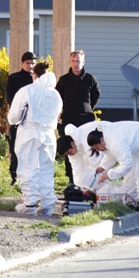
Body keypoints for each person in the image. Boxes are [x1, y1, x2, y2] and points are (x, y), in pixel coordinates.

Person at [7, 61, 62, 216]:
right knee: (46, 169)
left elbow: (13, 117)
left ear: (35, 76)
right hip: (49, 134)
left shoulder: (28, 90)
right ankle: (48, 204)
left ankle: (30, 203)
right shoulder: (55, 94)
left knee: (27, 167)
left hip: (29, 132)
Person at [86, 121, 139, 215]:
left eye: (97, 147)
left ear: (101, 140)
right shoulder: (107, 138)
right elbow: (111, 154)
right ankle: (132, 203)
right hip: (137, 144)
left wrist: (108, 175)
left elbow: (126, 165)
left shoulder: (115, 141)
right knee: (129, 179)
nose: (98, 151)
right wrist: (102, 167)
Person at [55, 50, 101, 183]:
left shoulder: (90, 79)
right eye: (74, 61)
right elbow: (58, 98)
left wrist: (87, 109)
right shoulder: (64, 80)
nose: (76, 64)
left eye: (79, 61)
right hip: (69, 120)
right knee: (71, 150)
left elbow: (96, 96)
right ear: (70, 62)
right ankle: (72, 179)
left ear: (83, 62)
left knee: (89, 148)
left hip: (86, 120)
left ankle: (91, 178)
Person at [5, 51, 36, 185]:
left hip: (33, 119)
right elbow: (10, 97)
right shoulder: (14, 78)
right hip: (18, 117)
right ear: (22, 63)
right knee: (15, 149)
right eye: (28, 63)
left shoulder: (36, 79)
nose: (30, 66)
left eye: (33, 63)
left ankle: (30, 178)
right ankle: (14, 177)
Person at [56, 120, 110, 188]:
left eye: (69, 152)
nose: (70, 155)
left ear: (72, 144)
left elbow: (99, 165)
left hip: (110, 136)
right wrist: (78, 188)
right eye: (67, 154)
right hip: (99, 143)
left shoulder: (86, 143)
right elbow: (77, 169)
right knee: (87, 172)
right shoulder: (72, 145)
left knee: (98, 169)